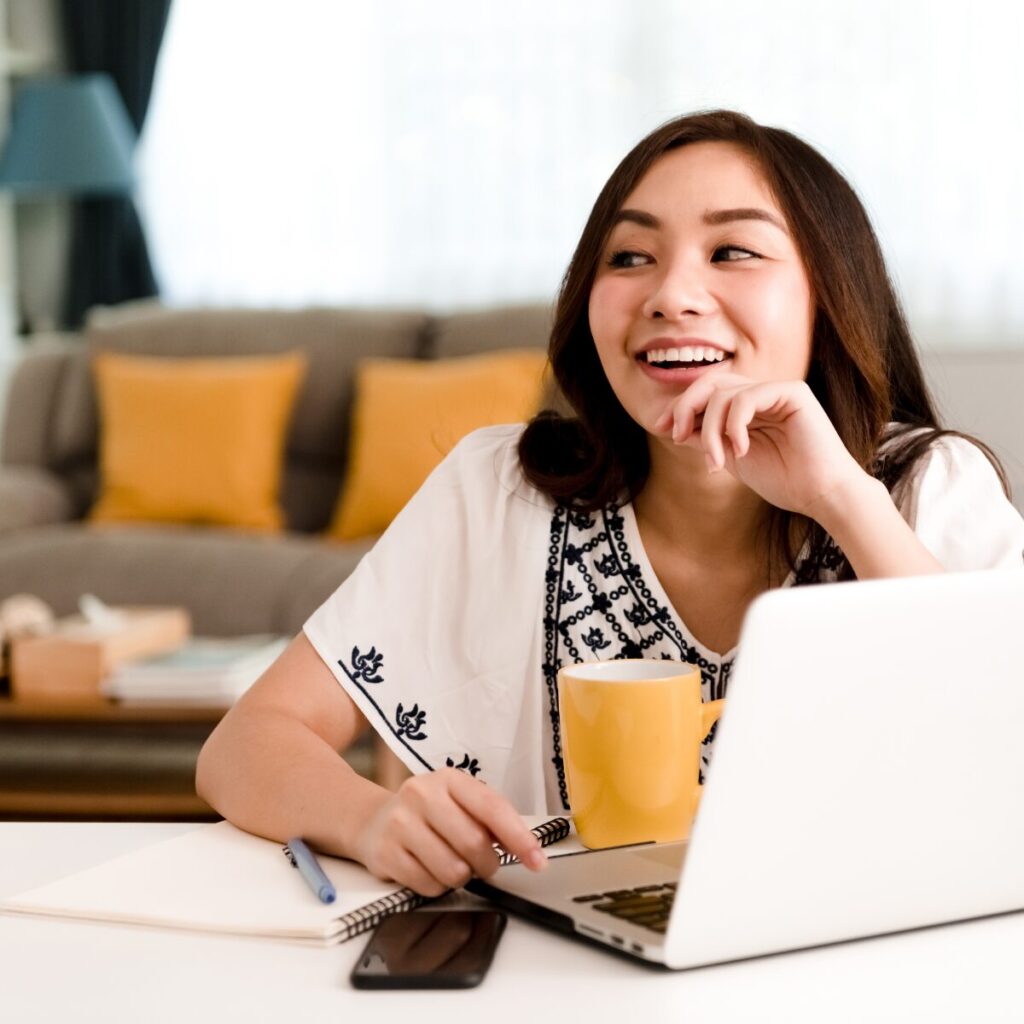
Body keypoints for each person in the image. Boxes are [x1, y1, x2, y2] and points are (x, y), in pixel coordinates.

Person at [196, 109, 1024, 899]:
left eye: (733, 251)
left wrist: (841, 494)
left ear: (828, 297)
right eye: (630, 258)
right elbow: (245, 746)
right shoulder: (499, 490)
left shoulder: (927, 487)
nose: (671, 294)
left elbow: (999, 749)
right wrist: (369, 817)